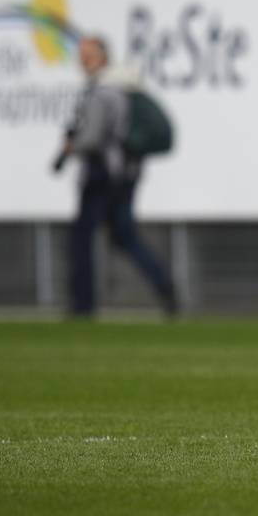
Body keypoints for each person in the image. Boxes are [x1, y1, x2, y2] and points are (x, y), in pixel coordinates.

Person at [57, 35, 177, 318]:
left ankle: (82, 306)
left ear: (102, 57)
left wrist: (72, 146)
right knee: (124, 236)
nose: (82, 60)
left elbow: (94, 136)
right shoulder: (122, 88)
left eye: (88, 55)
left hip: (102, 174)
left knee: (82, 238)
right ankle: (163, 283)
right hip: (125, 174)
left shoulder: (103, 90)